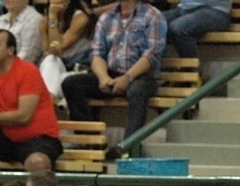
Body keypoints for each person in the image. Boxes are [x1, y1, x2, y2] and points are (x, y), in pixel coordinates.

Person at [0, 29, 63, 171]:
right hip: (6, 137)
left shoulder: (28, 71)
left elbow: (24, 117)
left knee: (37, 162)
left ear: (10, 50)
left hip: (38, 138)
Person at [61, 0, 166, 140]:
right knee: (71, 84)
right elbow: (97, 53)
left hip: (141, 76)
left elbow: (151, 55)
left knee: (137, 91)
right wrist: (103, 77)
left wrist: (127, 77)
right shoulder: (106, 17)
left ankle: (130, 145)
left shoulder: (153, 15)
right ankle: (91, 141)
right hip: (111, 74)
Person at [161, 0, 229, 60]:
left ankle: (189, 68)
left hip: (216, 10)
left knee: (178, 27)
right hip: (184, 8)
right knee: (156, 22)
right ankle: (159, 68)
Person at [43, 0, 93, 71]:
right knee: (49, 62)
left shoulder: (81, 18)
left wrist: (53, 16)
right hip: (57, 62)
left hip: (77, 61)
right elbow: (47, 51)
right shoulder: (45, 21)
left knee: (51, 64)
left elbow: (59, 47)